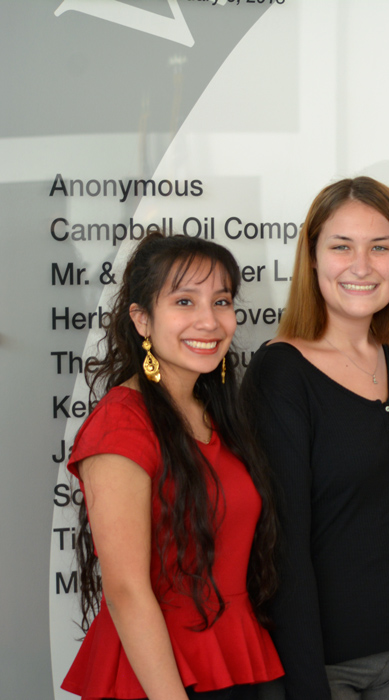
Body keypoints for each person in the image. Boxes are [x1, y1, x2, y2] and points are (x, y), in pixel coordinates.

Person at [243, 177, 389, 700]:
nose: (362, 265)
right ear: (312, 259)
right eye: (341, 246)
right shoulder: (281, 374)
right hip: (328, 664)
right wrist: (306, 683)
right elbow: (281, 547)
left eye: (380, 247)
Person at [63, 233, 284, 700]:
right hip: (161, 675)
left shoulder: (216, 413)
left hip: (242, 656)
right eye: (184, 301)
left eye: (220, 301)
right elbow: (126, 591)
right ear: (141, 319)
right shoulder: (122, 424)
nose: (209, 320)